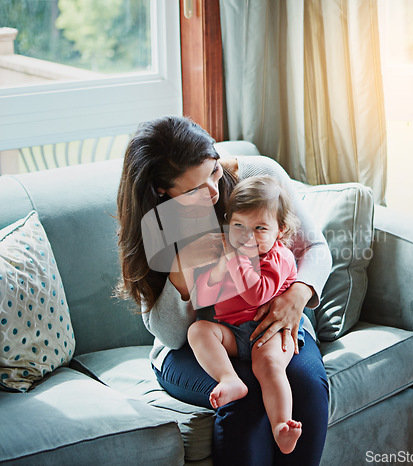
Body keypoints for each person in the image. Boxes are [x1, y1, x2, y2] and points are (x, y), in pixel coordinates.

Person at [116, 115, 331, 466]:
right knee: (246, 403)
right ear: (161, 190)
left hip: (271, 321)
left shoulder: (259, 176)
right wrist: (181, 273)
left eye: (214, 171)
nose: (214, 192)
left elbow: (316, 248)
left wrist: (298, 294)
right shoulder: (154, 223)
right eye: (194, 191)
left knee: (307, 388)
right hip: (200, 344)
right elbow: (171, 336)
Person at [189, 175, 304, 455]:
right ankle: (229, 379)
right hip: (233, 330)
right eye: (239, 226)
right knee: (199, 331)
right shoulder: (229, 253)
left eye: (260, 228)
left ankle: (281, 427)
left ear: (280, 230)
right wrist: (218, 270)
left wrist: (237, 260)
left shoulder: (278, 257)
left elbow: (258, 294)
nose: (247, 236)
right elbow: (202, 297)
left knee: (268, 367)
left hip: (270, 331)